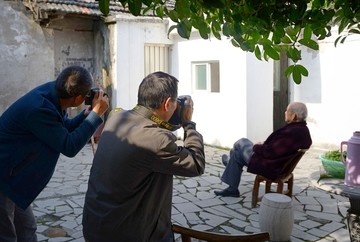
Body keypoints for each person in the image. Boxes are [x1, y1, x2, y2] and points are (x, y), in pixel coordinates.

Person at [82, 71, 205, 242]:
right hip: (127, 235)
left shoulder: (116, 116)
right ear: (168, 103)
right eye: (175, 102)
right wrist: (188, 123)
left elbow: (150, 127)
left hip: (95, 226)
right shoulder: (157, 140)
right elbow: (196, 164)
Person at [0, 66, 109, 242]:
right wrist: (96, 115)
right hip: (4, 176)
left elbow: (64, 129)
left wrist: (86, 114)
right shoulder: (39, 109)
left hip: (14, 178)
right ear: (78, 98)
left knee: (27, 229)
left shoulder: (53, 94)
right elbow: (69, 146)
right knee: (6, 235)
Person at [214, 102, 312, 197]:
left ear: (294, 116)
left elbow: (270, 152)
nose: (285, 113)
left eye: (287, 111)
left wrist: (257, 146)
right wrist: (265, 144)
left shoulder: (291, 132)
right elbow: (279, 148)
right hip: (277, 164)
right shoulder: (303, 130)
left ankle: (229, 163)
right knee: (236, 154)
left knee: (241, 142)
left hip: (269, 165)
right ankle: (232, 188)